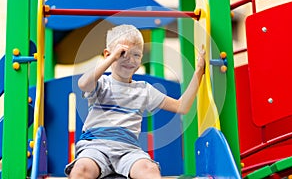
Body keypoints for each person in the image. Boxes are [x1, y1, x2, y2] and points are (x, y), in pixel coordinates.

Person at [65, 24, 205, 179]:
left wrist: (199, 72)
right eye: (123, 54)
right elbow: (83, 84)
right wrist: (113, 56)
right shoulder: (102, 84)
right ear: (108, 55)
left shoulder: (144, 90)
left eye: (137, 55)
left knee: (149, 169)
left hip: (128, 151)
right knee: (81, 170)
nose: (130, 60)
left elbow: (182, 106)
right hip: (95, 148)